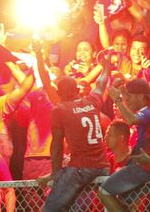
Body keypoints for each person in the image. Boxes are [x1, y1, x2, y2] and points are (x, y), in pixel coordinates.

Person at [36, 57, 111, 212]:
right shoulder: (92, 101)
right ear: (77, 91)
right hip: (102, 167)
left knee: (50, 208)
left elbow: (56, 146)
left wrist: (54, 174)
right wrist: (106, 66)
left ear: (58, 92)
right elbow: (101, 83)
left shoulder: (60, 110)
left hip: (81, 169)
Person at [98, 78, 150, 212]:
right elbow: (132, 109)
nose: (127, 100)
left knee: (104, 191)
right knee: (124, 202)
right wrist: (124, 88)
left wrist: (117, 100)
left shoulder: (149, 111)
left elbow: (131, 120)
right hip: (149, 165)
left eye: (129, 96)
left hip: (145, 166)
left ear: (141, 97)